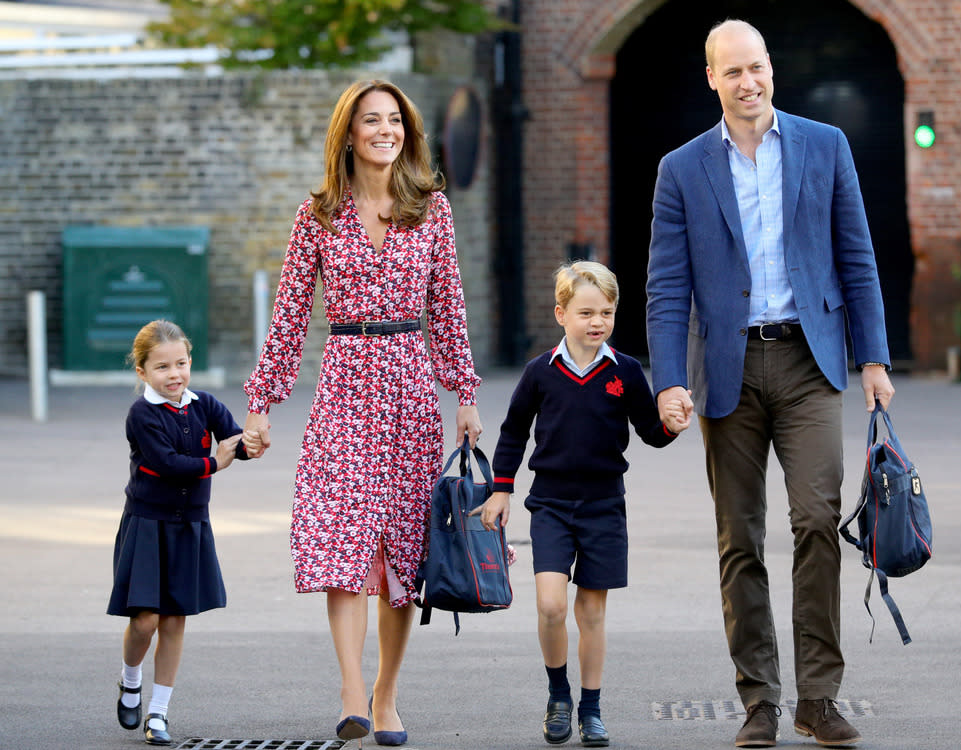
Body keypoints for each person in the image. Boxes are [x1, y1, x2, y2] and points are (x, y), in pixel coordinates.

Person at [645, 19, 896, 749]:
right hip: (725, 370)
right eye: (733, 72)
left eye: (757, 68)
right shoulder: (681, 168)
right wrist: (667, 382)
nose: (748, 82)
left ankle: (818, 697)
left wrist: (874, 359)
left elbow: (858, 256)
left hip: (810, 361)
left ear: (771, 70)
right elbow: (667, 288)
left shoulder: (825, 145)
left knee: (817, 521)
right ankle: (758, 700)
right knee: (739, 539)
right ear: (711, 79)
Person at [241, 79, 482, 746]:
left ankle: (386, 694)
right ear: (348, 132)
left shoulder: (431, 209)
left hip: (409, 391)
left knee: (403, 552)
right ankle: (351, 689)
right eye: (371, 120)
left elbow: (449, 311)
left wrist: (465, 394)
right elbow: (289, 319)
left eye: (395, 120)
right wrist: (261, 405)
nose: (385, 130)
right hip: (344, 386)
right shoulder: (315, 214)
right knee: (343, 538)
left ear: (408, 131)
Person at [475, 261, 689, 748]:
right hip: (550, 503)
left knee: (591, 613)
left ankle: (591, 709)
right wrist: (502, 488)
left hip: (604, 506)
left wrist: (672, 426)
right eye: (586, 312)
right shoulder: (539, 373)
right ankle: (558, 697)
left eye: (607, 313)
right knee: (552, 605)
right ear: (561, 313)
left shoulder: (627, 371)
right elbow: (513, 433)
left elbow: (650, 433)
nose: (597, 322)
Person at [108, 319, 253, 746]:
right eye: (162, 367)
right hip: (147, 524)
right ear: (142, 372)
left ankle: (158, 713)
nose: (174, 375)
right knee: (145, 621)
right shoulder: (141, 415)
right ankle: (130, 679)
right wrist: (216, 462)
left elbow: (234, 441)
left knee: (174, 621)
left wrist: (252, 442)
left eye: (182, 364)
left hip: (190, 525)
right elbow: (167, 464)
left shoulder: (204, 404)